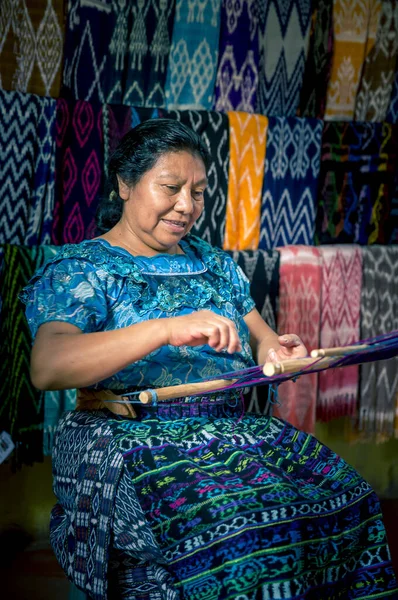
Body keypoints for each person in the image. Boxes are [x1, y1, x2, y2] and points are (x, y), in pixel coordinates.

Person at [22, 119, 397, 600]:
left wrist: (278, 353)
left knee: (348, 502)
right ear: (124, 184)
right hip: (128, 435)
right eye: (171, 188)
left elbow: (262, 340)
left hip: (231, 432)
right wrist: (163, 328)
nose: (186, 206)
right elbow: (48, 365)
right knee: (242, 535)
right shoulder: (83, 268)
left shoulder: (216, 266)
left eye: (198, 192)